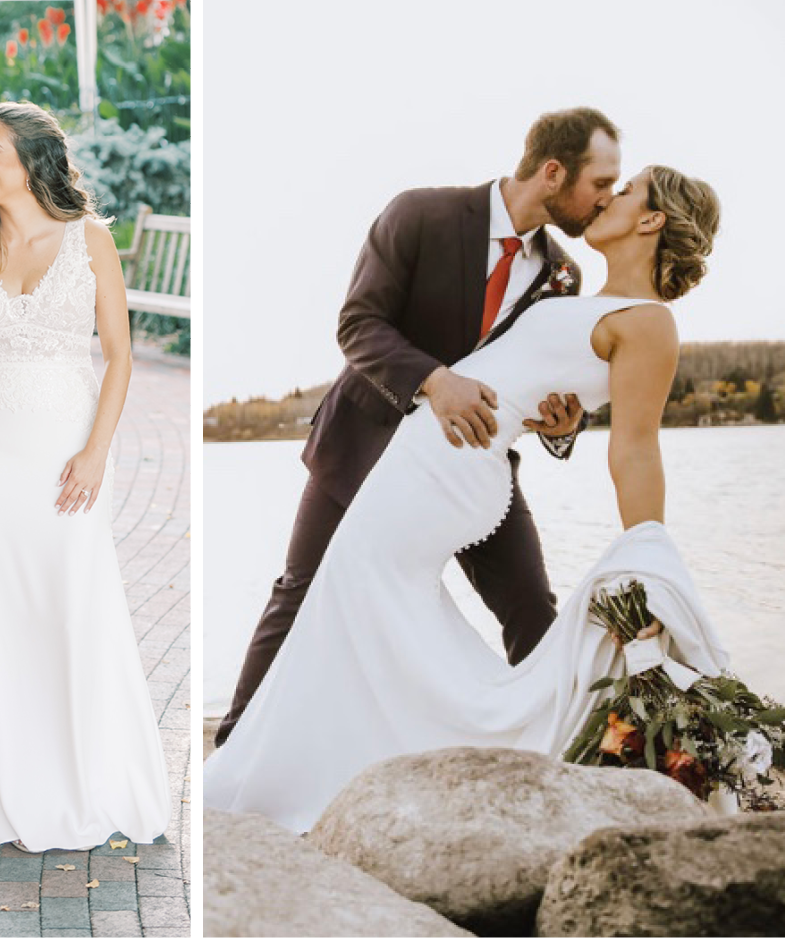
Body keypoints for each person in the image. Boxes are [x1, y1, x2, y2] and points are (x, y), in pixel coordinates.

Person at [204, 166, 723, 832]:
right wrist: (553, 413)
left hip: (450, 470)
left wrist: (647, 554)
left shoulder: (649, 323)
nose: (607, 196)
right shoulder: (572, 295)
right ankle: (358, 760)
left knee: (364, 593)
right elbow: (524, 375)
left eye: (625, 192)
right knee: (353, 601)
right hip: (428, 455)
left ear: (651, 221)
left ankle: (333, 772)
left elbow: (634, 447)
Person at [214, 108, 624, 747]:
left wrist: (561, 424)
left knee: (531, 607)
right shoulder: (420, 214)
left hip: (474, 468)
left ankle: (563, 750)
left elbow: (544, 385)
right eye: (600, 183)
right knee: (301, 591)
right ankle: (234, 745)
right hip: (365, 446)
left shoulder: (563, 276)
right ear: (552, 172)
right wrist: (436, 380)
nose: (606, 200)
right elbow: (358, 325)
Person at [0, 101, 171, 851]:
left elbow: (117, 355)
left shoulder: (88, 239)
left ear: (30, 162)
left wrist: (94, 451)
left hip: (65, 449)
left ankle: (82, 779)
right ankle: (0, 781)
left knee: (68, 603)